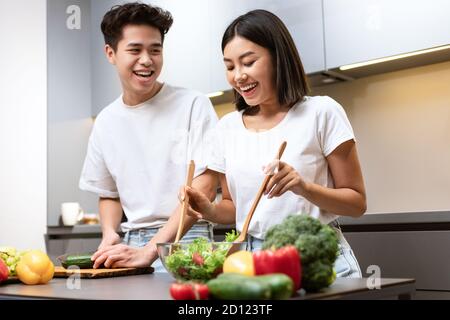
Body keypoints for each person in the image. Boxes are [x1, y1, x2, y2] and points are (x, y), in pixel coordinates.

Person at [183, 9, 366, 278]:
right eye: (230, 66)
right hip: (253, 262)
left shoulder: (322, 112)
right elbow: (236, 208)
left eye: (248, 62)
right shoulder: (227, 127)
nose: (238, 76)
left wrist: (303, 187)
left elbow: (356, 203)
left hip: (317, 257)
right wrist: (208, 209)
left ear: (278, 58)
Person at [79, 2, 218, 271]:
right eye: (135, 49)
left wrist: (152, 250)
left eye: (155, 50)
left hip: (186, 239)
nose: (147, 60)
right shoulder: (106, 121)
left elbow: (205, 187)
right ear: (110, 53)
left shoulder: (193, 104)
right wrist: (109, 232)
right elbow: (109, 194)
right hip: (130, 242)